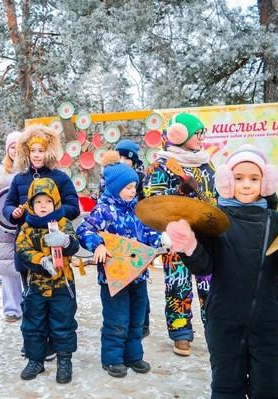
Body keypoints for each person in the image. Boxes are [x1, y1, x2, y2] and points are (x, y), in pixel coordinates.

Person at [164, 144, 278, 398]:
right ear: (226, 181)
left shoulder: (275, 220)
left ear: (265, 183)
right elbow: (204, 266)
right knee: (226, 388)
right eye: (238, 178)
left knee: (269, 388)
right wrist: (188, 246)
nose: (246, 185)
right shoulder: (215, 220)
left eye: (254, 179)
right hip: (224, 321)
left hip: (269, 323)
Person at [76, 151, 160, 378]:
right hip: (114, 278)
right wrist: (98, 245)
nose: (134, 191)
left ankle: (133, 356)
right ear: (115, 188)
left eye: (135, 186)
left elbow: (150, 232)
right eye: (129, 187)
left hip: (138, 275)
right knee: (117, 319)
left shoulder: (138, 210)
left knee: (136, 318)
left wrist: (163, 240)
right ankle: (112, 358)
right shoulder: (104, 210)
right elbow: (84, 230)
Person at [2, 124, 80, 360]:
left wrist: (50, 215)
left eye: (41, 150)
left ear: (50, 152)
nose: (36, 154)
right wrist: (12, 212)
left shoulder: (60, 177)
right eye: (32, 150)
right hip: (29, 249)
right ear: (25, 152)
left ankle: (56, 342)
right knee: (33, 299)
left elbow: (73, 206)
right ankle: (36, 342)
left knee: (58, 302)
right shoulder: (19, 180)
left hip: (56, 247)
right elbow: (7, 205)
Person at [143, 112, 216, 356]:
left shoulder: (207, 164)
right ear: (180, 135)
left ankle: (215, 331)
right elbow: (152, 202)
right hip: (176, 237)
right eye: (198, 133)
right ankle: (180, 333)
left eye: (202, 133)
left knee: (210, 286)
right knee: (178, 285)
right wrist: (180, 191)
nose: (202, 137)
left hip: (205, 237)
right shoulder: (161, 165)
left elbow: (215, 196)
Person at [16, 177, 80, 384]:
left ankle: (64, 361)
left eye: (47, 201)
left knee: (63, 324)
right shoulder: (26, 227)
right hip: (36, 286)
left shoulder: (63, 223)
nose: (43, 206)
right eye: (38, 202)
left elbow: (74, 245)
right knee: (33, 325)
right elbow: (22, 250)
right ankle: (36, 360)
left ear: (55, 202)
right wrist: (41, 261)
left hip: (62, 286)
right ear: (31, 204)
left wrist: (65, 240)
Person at [113, 139, 152, 338]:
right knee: (120, 294)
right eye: (119, 156)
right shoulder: (111, 175)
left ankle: (142, 323)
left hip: (138, 243)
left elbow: (146, 205)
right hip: (118, 249)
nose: (123, 161)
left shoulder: (141, 178)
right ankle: (119, 328)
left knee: (140, 291)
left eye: (127, 158)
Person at [0, 131, 23, 322]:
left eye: (19, 147)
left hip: (25, 224)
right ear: (7, 149)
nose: (15, 150)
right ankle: (12, 308)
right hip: (3, 225)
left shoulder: (29, 170)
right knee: (8, 266)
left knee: (28, 263)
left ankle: (29, 305)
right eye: (12, 147)